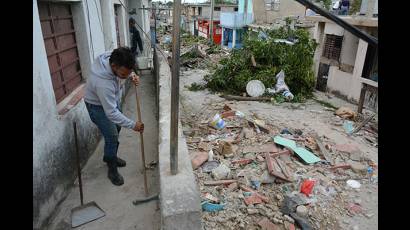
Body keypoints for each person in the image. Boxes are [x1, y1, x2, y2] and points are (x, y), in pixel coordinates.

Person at [84, 47, 144, 186]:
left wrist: (132, 74)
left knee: (116, 128)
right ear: (113, 66)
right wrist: (133, 125)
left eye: (127, 73)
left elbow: (125, 69)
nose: (125, 76)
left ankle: (109, 156)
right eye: (123, 74)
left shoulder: (114, 56)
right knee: (112, 136)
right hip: (97, 107)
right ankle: (112, 169)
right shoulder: (103, 83)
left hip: (110, 100)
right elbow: (111, 113)